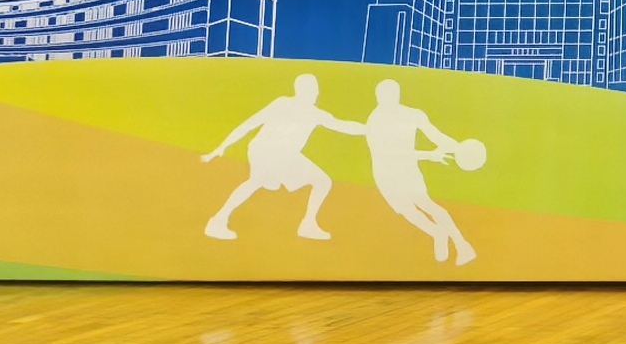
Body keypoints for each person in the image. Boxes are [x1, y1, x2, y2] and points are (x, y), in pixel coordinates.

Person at [201, 73, 364, 240]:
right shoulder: (298, 108)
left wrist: (222, 147)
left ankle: (218, 220)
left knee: (256, 182)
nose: (317, 93)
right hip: (276, 154)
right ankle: (307, 225)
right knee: (322, 181)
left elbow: (344, 126)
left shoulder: (290, 105)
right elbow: (250, 123)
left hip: (266, 152)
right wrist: (222, 146)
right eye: (314, 89)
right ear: (303, 90)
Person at [360, 77, 479, 266]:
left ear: (397, 95)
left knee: (427, 204)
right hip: (385, 174)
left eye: (392, 94)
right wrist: (428, 155)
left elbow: (437, 136)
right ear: (378, 97)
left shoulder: (412, 115)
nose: (388, 98)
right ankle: (437, 233)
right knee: (407, 211)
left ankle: (462, 245)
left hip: (407, 170)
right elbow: (386, 153)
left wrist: (458, 148)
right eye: (384, 95)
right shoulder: (375, 120)